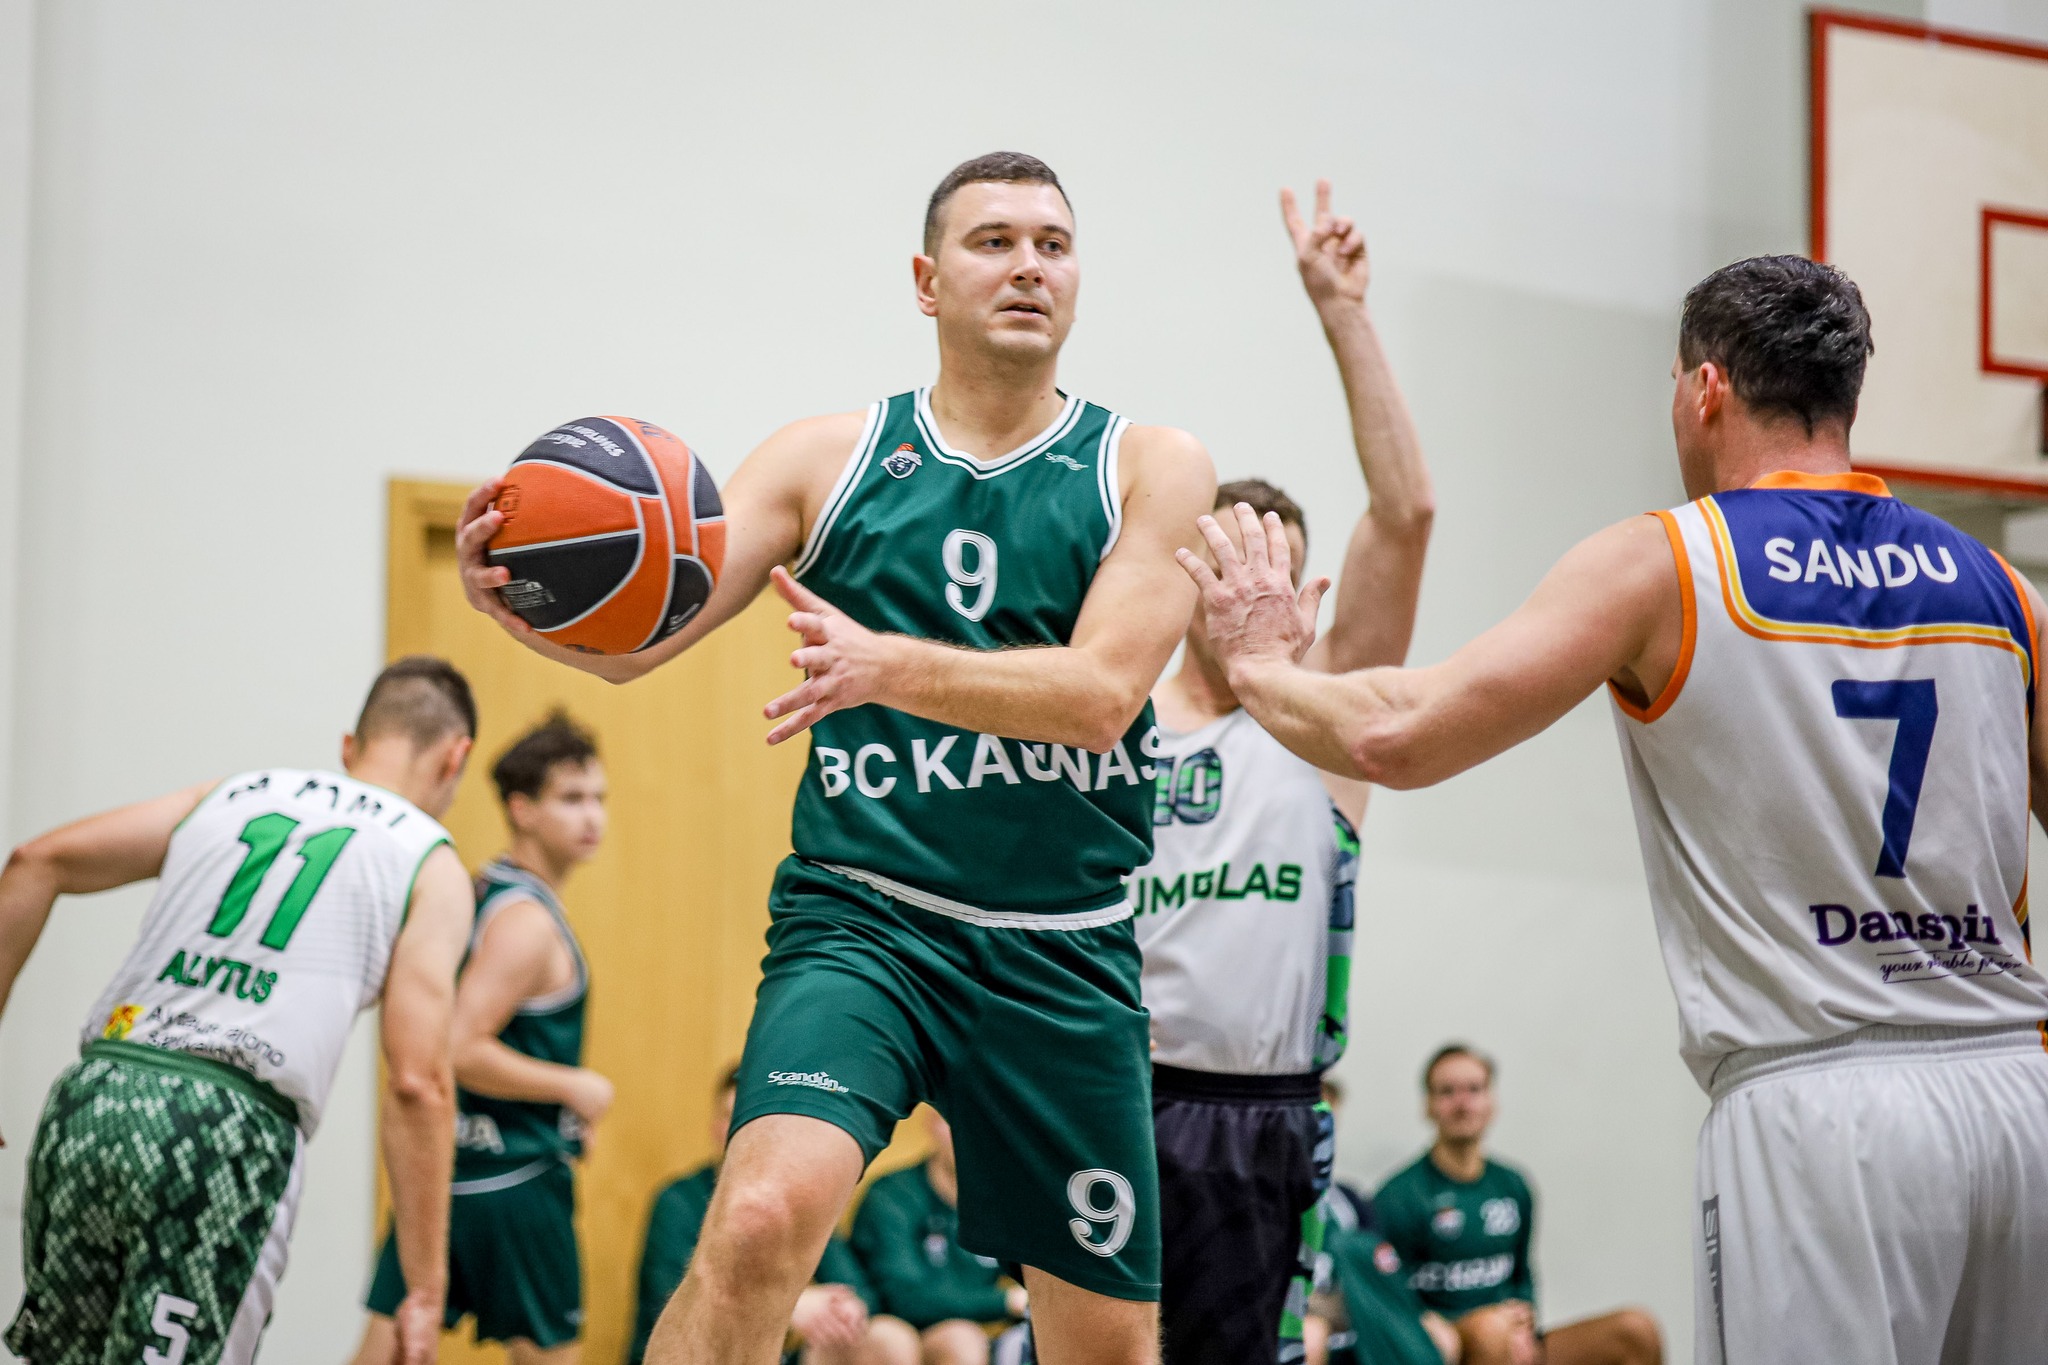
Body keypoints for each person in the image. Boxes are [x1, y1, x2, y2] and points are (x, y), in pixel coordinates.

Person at [1179, 254, 2048, 1365]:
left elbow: (1399, 732)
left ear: (1705, 389)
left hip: (1818, 1103)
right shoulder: (1999, 587)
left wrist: (1258, 665)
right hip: (2013, 1093)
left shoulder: (1669, 560)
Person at [456, 150, 1215, 1365]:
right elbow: (638, 646)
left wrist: (886, 667)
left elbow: (1096, 696)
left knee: (1107, 1348)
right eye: (993, 242)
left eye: (1053, 245)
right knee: (759, 1218)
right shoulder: (825, 458)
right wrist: (522, 603)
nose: (1028, 266)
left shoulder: (1151, 465)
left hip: (1060, 949)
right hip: (867, 921)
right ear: (925, 280)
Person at [1134, 178, 1432, 1365]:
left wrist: (1341, 312)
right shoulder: (1115, 717)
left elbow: (1403, 515)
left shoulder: (1319, 719)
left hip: (1256, 1113)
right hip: (1115, 1092)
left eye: (1280, 570)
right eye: (1233, 563)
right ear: (1188, 580)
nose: (1255, 589)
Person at [0, 656, 479, 1365]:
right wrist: (427, 1288)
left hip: (96, 1093)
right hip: (220, 1125)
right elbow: (417, 1081)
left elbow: (35, 861)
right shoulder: (427, 861)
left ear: (350, 746)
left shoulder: (231, 794)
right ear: (455, 757)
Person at [353, 712, 614, 1364]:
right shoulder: (527, 922)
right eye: (572, 798)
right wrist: (573, 1087)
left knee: (385, 1351)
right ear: (521, 810)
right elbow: (459, 1048)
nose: (593, 816)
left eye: (599, 797)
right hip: (516, 1182)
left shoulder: (476, 890)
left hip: (444, 1173)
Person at [1375, 1047, 1659, 1365]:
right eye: (1447, 1092)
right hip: (1450, 1349)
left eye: (1474, 1089)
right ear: (1428, 1106)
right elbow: (1385, 1302)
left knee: (1636, 1330)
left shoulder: (1512, 1185)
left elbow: (1522, 1275)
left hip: (1513, 1340)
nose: (1462, 1103)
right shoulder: (1397, 1197)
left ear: (1491, 1102)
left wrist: (1525, 1320)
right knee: (1491, 1330)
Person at [631, 1065, 913, 1365]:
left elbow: (859, 1291)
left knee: (887, 1337)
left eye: (752, 1119)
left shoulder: (800, 1195)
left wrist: (841, 1309)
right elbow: (666, 1299)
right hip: (698, 1351)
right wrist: (787, 1309)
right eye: (731, 1118)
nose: (741, 1131)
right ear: (715, 1127)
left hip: (782, 1350)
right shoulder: (678, 1201)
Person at [850, 1108, 1029, 1363]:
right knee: (900, 1340)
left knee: (969, 1338)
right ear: (933, 1123)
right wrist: (1007, 1301)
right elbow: (905, 1298)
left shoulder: (1006, 1202)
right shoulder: (893, 1195)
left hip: (968, 1330)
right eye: (959, 1125)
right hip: (884, 1324)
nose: (971, 1139)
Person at [1302, 1224, 1461, 1365]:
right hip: (1316, 1319)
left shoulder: (1357, 1229)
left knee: (1443, 1336)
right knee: (1312, 1335)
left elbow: (1393, 1290)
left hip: (1369, 1313)